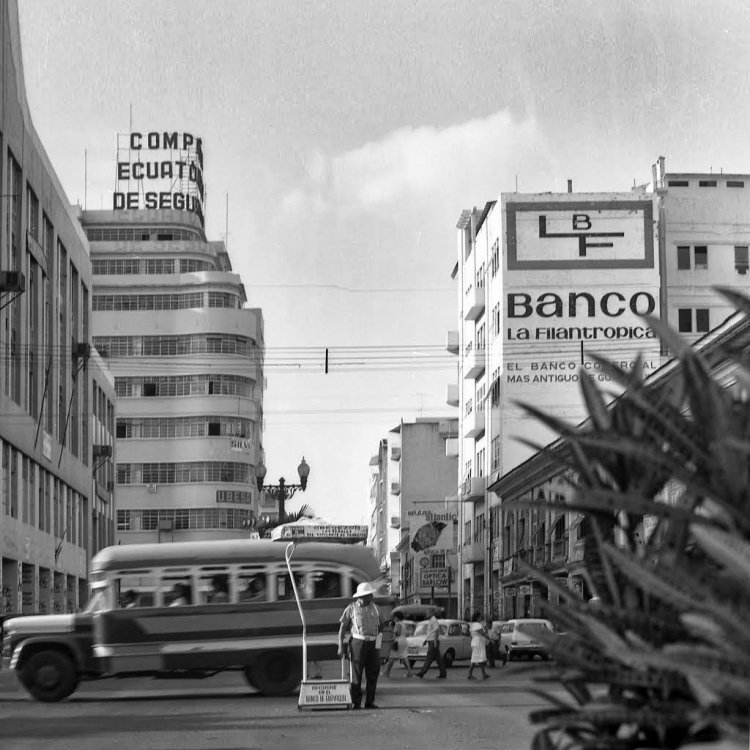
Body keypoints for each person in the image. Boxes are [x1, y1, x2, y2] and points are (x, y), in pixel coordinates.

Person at [337, 581, 383, 709]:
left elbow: (381, 627)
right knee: (356, 674)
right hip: (357, 642)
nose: (368, 598)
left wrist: (378, 645)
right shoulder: (351, 608)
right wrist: (341, 646)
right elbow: (342, 628)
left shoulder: (376, 609)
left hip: (373, 643)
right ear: (359, 596)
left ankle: (370, 702)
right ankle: (356, 702)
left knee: (373, 673)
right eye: (365, 595)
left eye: (369, 595)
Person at [381, 611, 414, 678]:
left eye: (395, 617)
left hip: (398, 641)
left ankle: (387, 673)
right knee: (404, 657)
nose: (394, 618)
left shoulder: (398, 624)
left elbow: (398, 633)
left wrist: (394, 631)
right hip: (404, 641)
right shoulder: (403, 624)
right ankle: (410, 672)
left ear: (397, 617)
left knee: (392, 657)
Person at [416, 610, 446, 679]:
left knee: (429, 658)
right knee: (438, 659)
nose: (426, 614)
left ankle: (422, 672)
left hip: (433, 641)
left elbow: (436, 631)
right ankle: (443, 673)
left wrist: (435, 641)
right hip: (431, 641)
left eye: (427, 612)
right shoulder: (431, 620)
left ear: (431, 613)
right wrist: (426, 640)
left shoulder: (434, 620)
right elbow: (430, 632)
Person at [468, 614, 491, 680]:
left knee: (477, 658)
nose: (481, 618)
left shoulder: (473, 625)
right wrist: (490, 639)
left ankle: (483, 674)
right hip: (478, 642)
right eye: (480, 617)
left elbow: (483, 632)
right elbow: (483, 633)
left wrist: (485, 628)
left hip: (475, 642)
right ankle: (470, 674)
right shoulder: (477, 625)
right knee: (476, 659)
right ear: (477, 618)